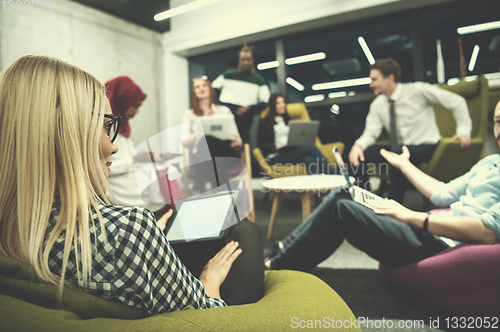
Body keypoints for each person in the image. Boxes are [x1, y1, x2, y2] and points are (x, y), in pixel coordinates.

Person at [0, 55, 263, 315]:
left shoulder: (15, 226)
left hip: (124, 251)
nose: (112, 145)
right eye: (105, 127)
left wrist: (152, 237)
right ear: (67, 138)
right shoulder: (130, 228)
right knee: (246, 232)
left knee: (222, 228)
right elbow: (209, 313)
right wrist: (209, 282)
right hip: (163, 274)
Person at [264, 101, 500, 272]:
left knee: (342, 210)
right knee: (345, 192)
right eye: (498, 121)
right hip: (431, 229)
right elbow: (442, 193)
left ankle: (276, 265)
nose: (499, 129)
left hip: (440, 243)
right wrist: (404, 166)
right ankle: (283, 246)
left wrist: (410, 216)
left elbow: (487, 233)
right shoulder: (490, 162)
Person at [348, 58, 472, 203]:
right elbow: (371, 132)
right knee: (359, 155)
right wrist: (358, 146)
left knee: (398, 151)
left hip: (427, 147)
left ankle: (394, 206)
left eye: (374, 79)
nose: (371, 84)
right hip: (399, 149)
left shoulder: (417, 90)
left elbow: (457, 102)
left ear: (390, 78)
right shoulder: (378, 104)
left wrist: (464, 131)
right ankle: (365, 201)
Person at [105, 76, 180, 218]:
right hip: (126, 198)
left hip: (141, 196)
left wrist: (143, 157)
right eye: (135, 106)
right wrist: (137, 159)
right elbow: (107, 165)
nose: (137, 111)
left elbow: (127, 157)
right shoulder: (106, 128)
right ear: (123, 101)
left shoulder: (122, 126)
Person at [181, 77, 243, 194]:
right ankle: (223, 197)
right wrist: (200, 129)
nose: (201, 89)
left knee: (208, 140)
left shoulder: (224, 110)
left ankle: (198, 188)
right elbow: (184, 142)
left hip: (227, 153)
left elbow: (238, 140)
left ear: (210, 88)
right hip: (204, 159)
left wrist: (236, 142)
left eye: (204, 85)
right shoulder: (189, 114)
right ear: (193, 92)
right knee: (216, 160)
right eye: (197, 87)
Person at [257, 93, 334, 175]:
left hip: (291, 151)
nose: (282, 105)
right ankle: (333, 176)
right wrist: (277, 147)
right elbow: (261, 144)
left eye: (283, 102)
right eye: (278, 103)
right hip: (276, 155)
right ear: (273, 105)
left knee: (309, 160)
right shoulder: (264, 122)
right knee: (312, 148)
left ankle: (319, 185)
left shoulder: (288, 120)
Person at [212, 43, 271, 143]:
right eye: (243, 60)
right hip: (226, 111)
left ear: (252, 61)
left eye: (248, 60)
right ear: (239, 61)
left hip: (245, 115)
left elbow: (266, 101)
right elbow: (213, 90)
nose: (245, 63)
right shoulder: (228, 74)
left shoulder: (258, 79)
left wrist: (248, 109)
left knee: (243, 141)